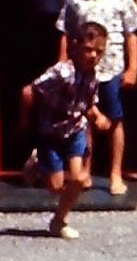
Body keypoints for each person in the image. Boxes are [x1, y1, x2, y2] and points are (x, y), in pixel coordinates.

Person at [56, 0, 137, 195]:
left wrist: (133, 68)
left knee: (114, 119)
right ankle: (85, 171)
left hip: (112, 67)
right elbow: (66, 33)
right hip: (83, 70)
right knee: (84, 120)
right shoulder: (75, 0)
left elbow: (131, 34)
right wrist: (63, 66)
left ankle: (115, 174)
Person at [19, 20, 112, 241]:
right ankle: (37, 161)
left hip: (74, 130)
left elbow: (88, 103)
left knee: (79, 178)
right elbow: (28, 91)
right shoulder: (61, 73)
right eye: (88, 50)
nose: (93, 56)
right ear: (76, 46)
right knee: (55, 186)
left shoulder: (93, 76)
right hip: (51, 131)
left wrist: (98, 117)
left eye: (99, 52)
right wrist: (24, 121)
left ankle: (59, 220)